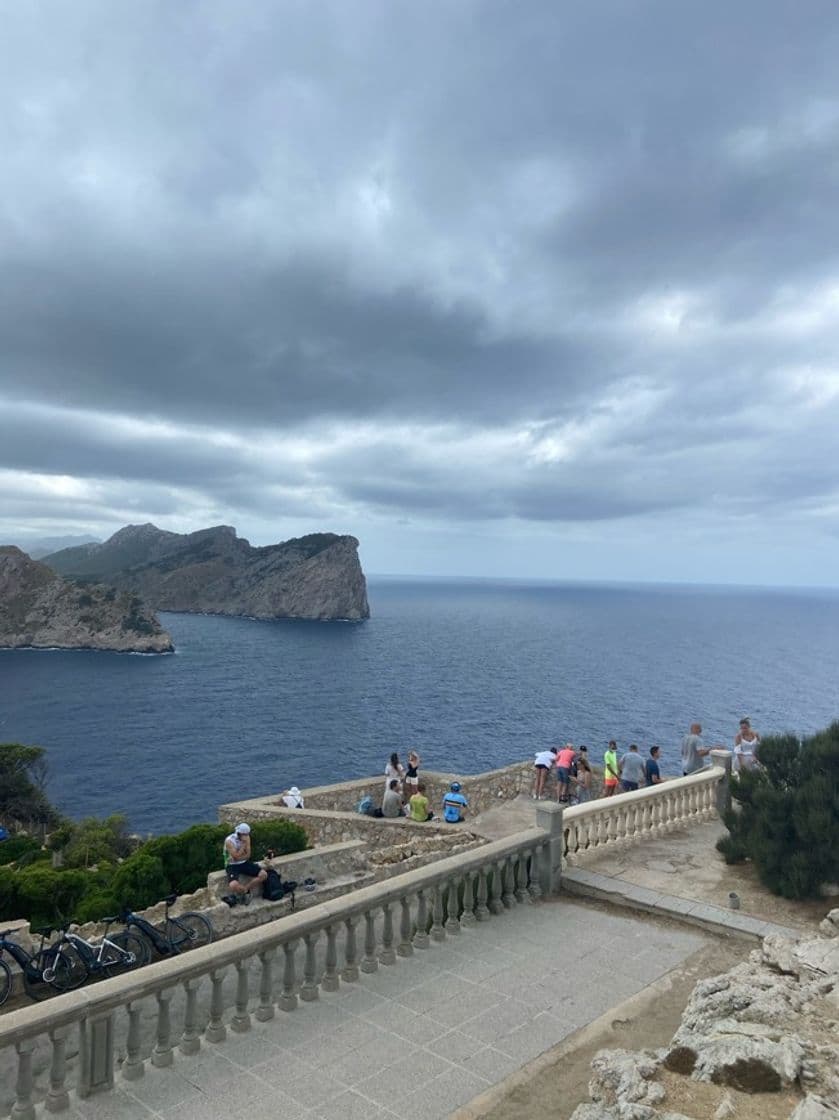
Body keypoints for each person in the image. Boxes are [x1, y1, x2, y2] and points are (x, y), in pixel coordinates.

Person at [222, 822, 268, 906]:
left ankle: (246, 890)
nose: (246, 837)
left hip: (244, 863)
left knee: (263, 875)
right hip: (231, 865)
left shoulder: (247, 838)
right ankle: (245, 893)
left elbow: (248, 855)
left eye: (247, 835)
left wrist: (239, 857)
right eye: (244, 835)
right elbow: (235, 856)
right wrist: (243, 845)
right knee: (233, 885)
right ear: (239, 833)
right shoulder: (229, 841)